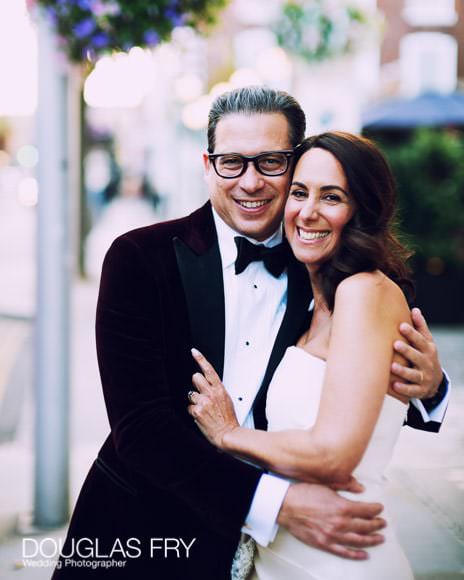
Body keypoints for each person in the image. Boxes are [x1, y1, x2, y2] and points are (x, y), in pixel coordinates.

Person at [53, 88, 448, 579]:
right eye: (232, 163)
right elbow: (141, 429)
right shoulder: (139, 258)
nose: (251, 182)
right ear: (207, 164)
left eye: (271, 162)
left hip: (281, 557)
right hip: (144, 536)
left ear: (296, 163)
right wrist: (275, 504)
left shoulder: (335, 266)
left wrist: (431, 388)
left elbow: (367, 390)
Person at [186, 131, 437, 579]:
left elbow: (334, 453)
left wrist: (227, 434)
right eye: (300, 192)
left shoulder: (365, 292)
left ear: (362, 209)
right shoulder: (310, 297)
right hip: (278, 558)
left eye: (332, 196)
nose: (308, 211)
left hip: (342, 556)